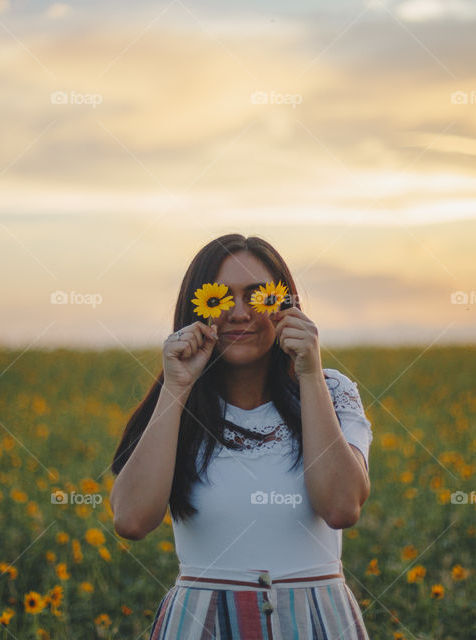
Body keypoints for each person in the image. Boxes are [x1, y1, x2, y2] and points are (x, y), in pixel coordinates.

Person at [110, 233, 374, 639]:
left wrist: (308, 374)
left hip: (315, 622)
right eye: (219, 298)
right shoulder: (178, 402)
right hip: (202, 623)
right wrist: (176, 387)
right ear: (197, 310)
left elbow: (341, 508)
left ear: (286, 306)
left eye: (258, 296)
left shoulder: (331, 391)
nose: (238, 312)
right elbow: (130, 520)